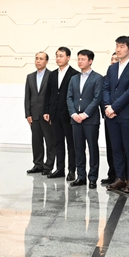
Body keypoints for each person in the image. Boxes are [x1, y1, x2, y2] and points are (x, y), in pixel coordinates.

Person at [103, 36, 129, 193]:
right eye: (117, 46)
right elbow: (106, 88)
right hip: (111, 115)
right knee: (116, 147)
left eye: (122, 46)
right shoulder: (112, 68)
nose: (118, 49)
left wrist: (114, 107)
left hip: (127, 115)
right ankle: (120, 177)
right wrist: (107, 106)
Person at [67, 49, 104, 188]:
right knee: (78, 148)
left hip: (90, 120)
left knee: (92, 148)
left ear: (90, 61)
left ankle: (93, 178)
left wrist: (85, 114)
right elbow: (69, 97)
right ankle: (81, 176)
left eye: (83, 59)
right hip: (75, 119)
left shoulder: (98, 78)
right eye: (78, 59)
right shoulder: (74, 78)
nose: (80, 61)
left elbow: (97, 98)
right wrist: (73, 114)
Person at [25, 51, 57, 175]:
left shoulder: (52, 75)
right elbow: (27, 97)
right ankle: (38, 164)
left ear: (47, 61)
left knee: (50, 142)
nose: (38, 61)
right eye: (36, 58)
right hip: (34, 115)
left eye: (41, 59)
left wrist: (50, 113)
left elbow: (53, 96)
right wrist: (28, 114)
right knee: (36, 141)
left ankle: (48, 166)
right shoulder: (30, 77)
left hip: (46, 115)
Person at [47, 47, 75, 181]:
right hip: (55, 114)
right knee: (58, 142)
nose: (58, 58)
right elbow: (49, 94)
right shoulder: (52, 74)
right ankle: (59, 169)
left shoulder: (74, 74)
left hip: (68, 115)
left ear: (68, 57)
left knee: (71, 144)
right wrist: (47, 111)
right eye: (57, 56)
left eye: (61, 56)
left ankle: (72, 170)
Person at [100, 52, 120, 186]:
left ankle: (121, 176)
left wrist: (115, 109)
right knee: (110, 147)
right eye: (112, 59)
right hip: (108, 116)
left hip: (120, 115)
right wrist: (107, 110)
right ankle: (112, 174)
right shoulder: (105, 78)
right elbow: (102, 96)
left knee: (120, 148)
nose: (113, 61)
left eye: (116, 59)